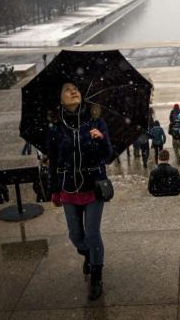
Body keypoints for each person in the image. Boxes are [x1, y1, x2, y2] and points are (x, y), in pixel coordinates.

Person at [47, 81, 113, 301]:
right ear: (60, 99)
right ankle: (88, 254)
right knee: (76, 236)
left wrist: (101, 140)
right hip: (68, 188)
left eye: (75, 88)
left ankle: (96, 275)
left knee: (93, 234)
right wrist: (54, 190)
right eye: (66, 89)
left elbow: (108, 155)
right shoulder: (56, 127)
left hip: (93, 186)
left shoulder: (96, 121)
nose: (73, 91)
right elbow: (54, 160)